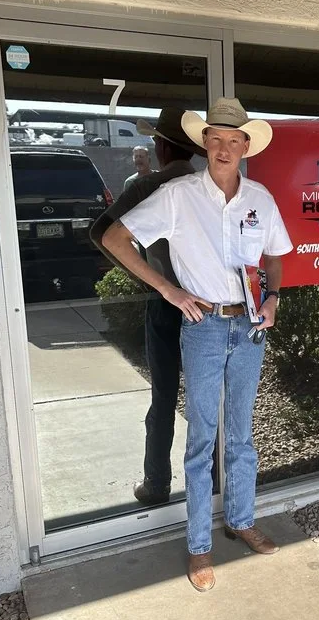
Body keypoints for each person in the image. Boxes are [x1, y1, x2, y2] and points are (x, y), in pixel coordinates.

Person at [102, 98, 292, 592]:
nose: (225, 147)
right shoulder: (179, 195)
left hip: (250, 327)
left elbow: (274, 256)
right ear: (204, 142)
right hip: (205, 326)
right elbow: (116, 238)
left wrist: (272, 298)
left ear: (246, 146)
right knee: (203, 436)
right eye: (217, 138)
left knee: (243, 435)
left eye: (235, 140)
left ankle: (242, 519)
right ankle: (199, 546)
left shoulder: (260, 199)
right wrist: (168, 290)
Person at [91, 108, 199, 506]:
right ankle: (215, 480)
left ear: (161, 145)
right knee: (212, 398)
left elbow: (101, 233)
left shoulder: (147, 186)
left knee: (165, 396)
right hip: (209, 304)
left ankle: (156, 483)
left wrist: (148, 279)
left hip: (165, 300)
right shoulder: (208, 185)